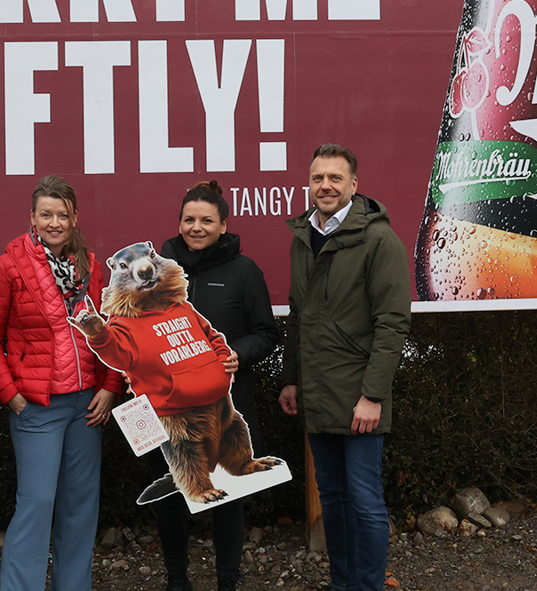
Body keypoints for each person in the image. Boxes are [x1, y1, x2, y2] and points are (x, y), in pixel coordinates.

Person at [0, 175, 123, 591]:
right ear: (32, 217)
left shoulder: (91, 267)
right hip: (37, 406)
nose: (54, 223)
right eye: (46, 214)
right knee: (37, 503)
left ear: (74, 219)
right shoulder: (7, 267)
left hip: (86, 406)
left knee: (80, 506)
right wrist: (11, 395)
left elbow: (112, 328)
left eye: (62, 214)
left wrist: (110, 387)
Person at [278, 144, 411, 591]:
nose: (326, 186)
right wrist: (291, 379)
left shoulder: (379, 240)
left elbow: (392, 323)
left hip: (359, 398)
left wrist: (372, 395)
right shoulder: (303, 238)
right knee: (333, 500)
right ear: (309, 184)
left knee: (365, 501)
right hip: (317, 393)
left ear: (354, 185)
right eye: (318, 178)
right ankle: (343, 584)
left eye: (335, 178)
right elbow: (299, 316)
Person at [153, 180, 281, 591]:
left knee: (229, 498)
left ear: (223, 225)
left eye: (206, 220)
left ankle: (228, 581)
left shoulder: (245, 272)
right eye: (189, 219)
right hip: (168, 410)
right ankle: (177, 579)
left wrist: (238, 353)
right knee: (172, 496)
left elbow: (267, 332)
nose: (197, 227)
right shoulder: (156, 273)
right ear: (179, 223)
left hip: (227, 408)